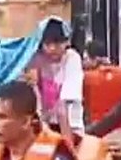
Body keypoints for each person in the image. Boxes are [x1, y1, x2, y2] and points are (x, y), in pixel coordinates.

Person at [27, 20, 85, 148]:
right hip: (44, 126)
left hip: (70, 126)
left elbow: (62, 108)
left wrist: (68, 147)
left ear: (66, 42)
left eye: (57, 43)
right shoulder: (37, 60)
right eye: (47, 44)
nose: (52, 48)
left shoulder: (72, 58)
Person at [81, 41, 121, 128]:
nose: (83, 62)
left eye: (85, 58)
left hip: (97, 128)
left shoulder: (86, 77)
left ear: (95, 59)